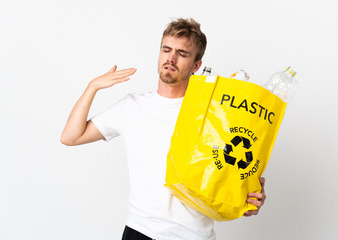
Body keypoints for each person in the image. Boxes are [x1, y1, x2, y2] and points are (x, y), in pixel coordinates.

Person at [61, 18, 266, 240]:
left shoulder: (213, 112)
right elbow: (71, 137)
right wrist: (93, 87)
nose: (171, 58)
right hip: (141, 232)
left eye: (182, 53)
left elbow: (228, 170)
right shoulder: (132, 107)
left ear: (197, 65)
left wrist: (248, 195)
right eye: (166, 49)